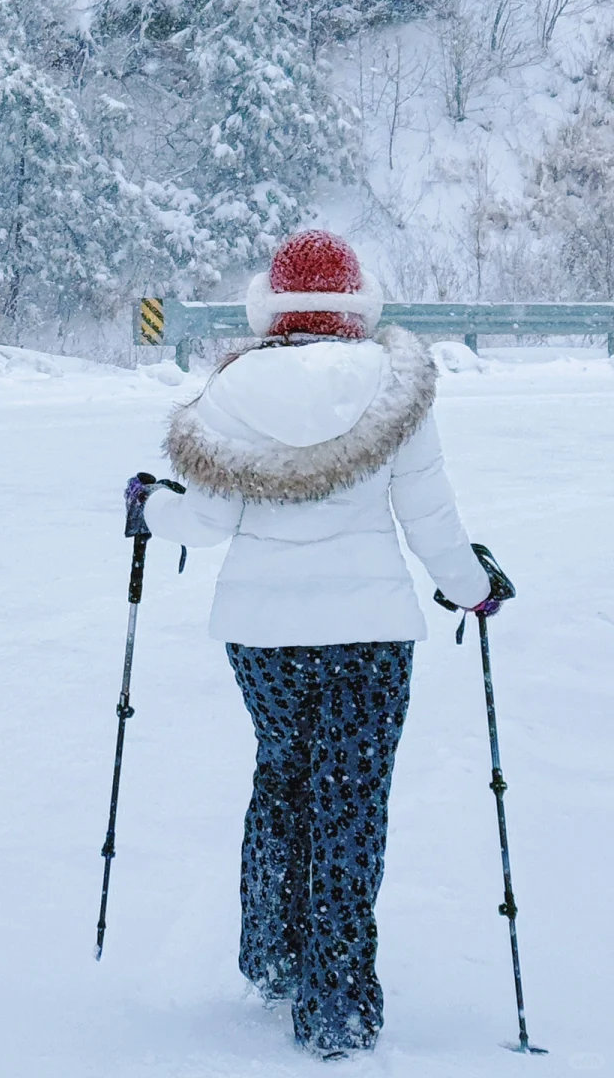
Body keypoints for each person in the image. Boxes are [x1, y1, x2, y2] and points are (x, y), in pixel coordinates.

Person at [130, 230, 496, 1062]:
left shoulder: (231, 391)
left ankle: (274, 954)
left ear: (272, 304)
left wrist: (148, 507)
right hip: (368, 638)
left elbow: (207, 521)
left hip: (262, 640)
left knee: (284, 774)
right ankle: (337, 1003)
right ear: (357, 302)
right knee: (349, 803)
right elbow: (432, 521)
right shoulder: (396, 390)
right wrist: (474, 587)